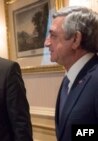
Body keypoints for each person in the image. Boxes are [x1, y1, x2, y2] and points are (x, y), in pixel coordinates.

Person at [44, 6, 98, 141]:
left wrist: (78, 133)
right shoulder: (69, 79)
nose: (47, 43)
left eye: (53, 36)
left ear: (75, 39)